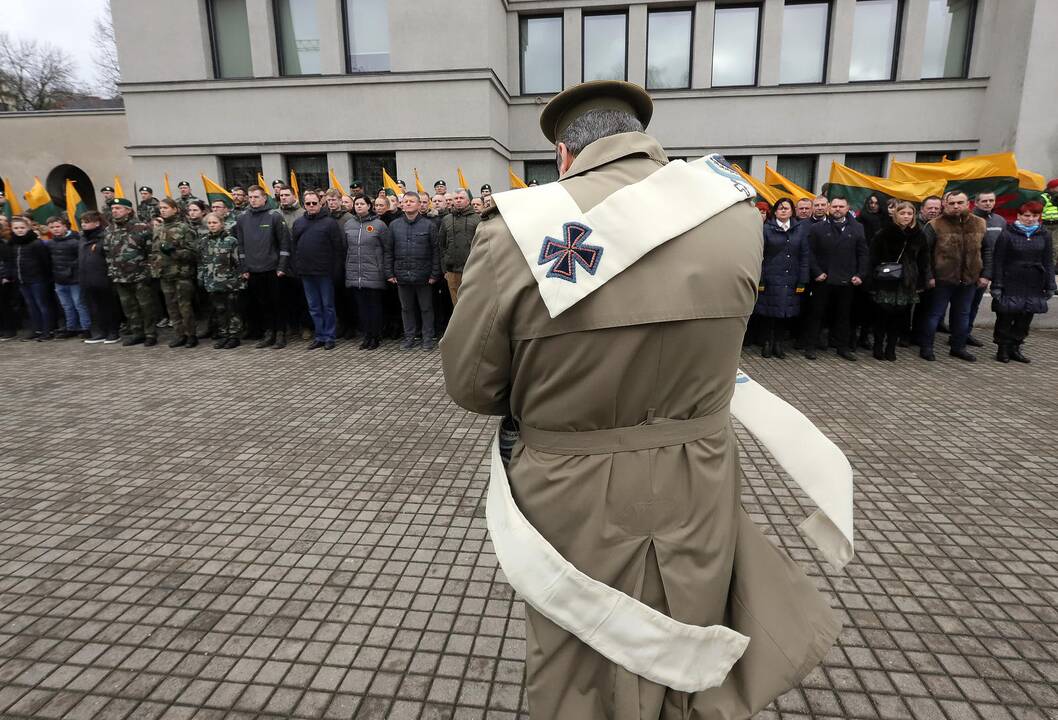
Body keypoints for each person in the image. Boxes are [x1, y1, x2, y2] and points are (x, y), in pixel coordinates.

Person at [442, 80, 850, 720]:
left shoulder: (520, 229)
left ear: (564, 154)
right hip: (701, 470)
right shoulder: (734, 212)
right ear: (643, 138)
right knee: (688, 627)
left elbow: (472, 387)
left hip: (570, 485)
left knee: (584, 653)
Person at [919, 191, 987, 362]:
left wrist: (985, 274)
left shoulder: (980, 223)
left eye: (960, 202)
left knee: (963, 315)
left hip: (969, 279)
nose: (956, 206)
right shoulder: (934, 225)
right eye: (952, 203)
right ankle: (926, 347)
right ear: (945, 205)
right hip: (942, 279)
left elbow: (987, 250)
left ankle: (958, 348)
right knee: (934, 315)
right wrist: (929, 276)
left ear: (968, 204)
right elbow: (924, 253)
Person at [802, 197, 868, 360]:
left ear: (847, 208)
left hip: (847, 280)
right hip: (823, 279)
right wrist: (816, 272)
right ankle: (810, 346)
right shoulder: (817, 228)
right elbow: (809, 253)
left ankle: (842, 347)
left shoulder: (857, 228)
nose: (837, 209)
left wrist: (860, 274)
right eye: (835, 206)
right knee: (816, 314)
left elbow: (863, 253)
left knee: (844, 315)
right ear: (829, 208)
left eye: (841, 206)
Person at [990, 201, 1055, 363]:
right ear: (1019, 216)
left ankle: (1016, 347)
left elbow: (1048, 261)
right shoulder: (1007, 234)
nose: (1030, 219)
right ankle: (1003, 348)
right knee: (1006, 315)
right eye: (1027, 215)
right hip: (1010, 280)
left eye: (1034, 216)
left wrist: (1050, 285)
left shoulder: (1044, 234)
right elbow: (998, 260)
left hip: (1034, 281)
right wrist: (997, 285)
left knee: (1025, 317)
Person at [868, 201, 929, 361]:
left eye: (909, 214)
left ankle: (891, 347)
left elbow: (924, 260)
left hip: (907, 281)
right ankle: (878, 345)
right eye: (903, 213)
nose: (906, 217)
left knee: (899, 316)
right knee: (882, 314)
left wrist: (922, 281)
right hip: (886, 280)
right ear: (896, 215)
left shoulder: (919, 235)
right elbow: (873, 258)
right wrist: (872, 281)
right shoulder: (884, 233)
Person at [236, 185, 291, 349]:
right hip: (253, 270)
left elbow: (284, 243)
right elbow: (241, 245)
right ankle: (269, 332)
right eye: (250, 197)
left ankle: (280, 333)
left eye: (256, 197)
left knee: (277, 303)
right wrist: (244, 268)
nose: (253, 200)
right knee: (263, 303)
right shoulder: (242, 218)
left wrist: (282, 266)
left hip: (273, 269)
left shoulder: (274, 216)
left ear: (265, 198)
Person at [753, 197, 809, 358]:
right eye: (780, 208)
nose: (783, 210)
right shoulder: (766, 229)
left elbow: (804, 255)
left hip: (791, 278)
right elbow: (760, 254)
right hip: (770, 277)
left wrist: (802, 279)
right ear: (775, 211)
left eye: (787, 208)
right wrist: (761, 278)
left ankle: (778, 344)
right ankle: (766, 343)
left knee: (784, 313)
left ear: (792, 211)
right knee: (767, 313)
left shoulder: (799, 229)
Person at [291, 190, 343, 350]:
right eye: (308, 203)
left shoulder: (330, 223)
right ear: (304, 205)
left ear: (321, 203)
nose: (311, 206)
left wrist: (336, 271)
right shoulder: (299, 223)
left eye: (314, 203)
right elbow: (294, 247)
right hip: (306, 273)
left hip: (325, 273)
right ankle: (319, 335)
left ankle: (329, 336)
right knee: (313, 307)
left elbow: (338, 249)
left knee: (327, 306)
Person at [388, 192, 441, 350]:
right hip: (402, 275)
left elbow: (436, 252)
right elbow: (388, 251)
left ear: (419, 205)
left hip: (424, 276)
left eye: (412, 201)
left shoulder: (429, 225)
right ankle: (409, 337)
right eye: (406, 201)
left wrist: (434, 274)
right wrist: (390, 273)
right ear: (401, 205)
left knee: (426, 308)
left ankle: (427, 338)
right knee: (406, 308)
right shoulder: (394, 225)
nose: (408, 204)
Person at [105, 198, 158, 346]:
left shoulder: (142, 228)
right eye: (113, 208)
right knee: (129, 307)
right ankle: (137, 333)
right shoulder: (110, 230)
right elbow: (108, 253)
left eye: (118, 208)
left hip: (140, 275)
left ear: (128, 210)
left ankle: (150, 334)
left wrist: (149, 271)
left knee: (146, 306)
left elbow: (152, 252)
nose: (114, 211)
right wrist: (111, 271)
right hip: (120, 276)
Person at [344, 194, 391, 350]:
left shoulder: (379, 225)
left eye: (362, 204)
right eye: (356, 204)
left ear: (369, 206)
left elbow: (387, 249)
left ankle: (375, 336)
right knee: (361, 307)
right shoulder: (349, 224)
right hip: (355, 273)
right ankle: (366, 336)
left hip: (373, 272)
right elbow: (346, 249)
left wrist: (385, 270)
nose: (358, 206)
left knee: (374, 306)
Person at [152, 198, 199, 348]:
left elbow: (194, 252)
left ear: (175, 209)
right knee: (171, 307)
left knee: (185, 306)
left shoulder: (184, 228)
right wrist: (155, 269)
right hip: (165, 274)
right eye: (161, 208)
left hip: (181, 273)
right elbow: (154, 252)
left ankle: (191, 335)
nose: (163, 210)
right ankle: (179, 334)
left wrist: (174, 252)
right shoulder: (158, 229)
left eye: (166, 207)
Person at [963, 190, 1006, 346]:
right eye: (985, 201)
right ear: (976, 202)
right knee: (963, 305)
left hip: (989, 269)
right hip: (970, 269)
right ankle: (958, 334)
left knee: (974, 304)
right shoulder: (969, 219)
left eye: (991, 200)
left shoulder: (1000, 221)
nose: (988, 203)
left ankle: (966, 332)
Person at [200, 212, 245, 349]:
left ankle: (234, 336)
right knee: (219, 310)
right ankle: (223, 334)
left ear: (222, 223)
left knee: (232, 310)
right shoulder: (204, 241)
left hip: (229, 282)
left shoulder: (230, 241)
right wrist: (202, 277)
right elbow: (201, 262)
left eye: (215, 223)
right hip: (212, 282)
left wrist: (239, 280)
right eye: (209, 223)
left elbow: (238, 262)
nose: (212, 226)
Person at [77, 211, 121, 343]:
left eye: (87, 222)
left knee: (108, 306)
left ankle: (113, 332)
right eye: (82, 222)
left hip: (103, 279)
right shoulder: (83, 239)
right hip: (87, 279)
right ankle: (100, 332)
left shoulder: (105, 237)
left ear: (96, 223)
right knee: (94, 307)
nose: (83, 225)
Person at [44, 216, 91, 339]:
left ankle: (86, 327)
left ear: (65, 226)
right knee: (66, 305)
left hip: (74, 279)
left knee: (79, 304)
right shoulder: (50, 243)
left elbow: (80, 259)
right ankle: (71, 327)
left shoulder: (75, 241)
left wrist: (70, 269)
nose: (55, 229)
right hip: (59, 279)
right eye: (52, 227)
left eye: (58, 226)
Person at [9, 216, 54, 341]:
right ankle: (37, 329)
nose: (19, 230)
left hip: (37, 279)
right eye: (16, 228)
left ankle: (47, 330)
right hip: (22, 280)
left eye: (22, 227)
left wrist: (45, 277)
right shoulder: (13, 243)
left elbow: (45, 261)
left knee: (42, 304)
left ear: (28, 228)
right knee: (30, 305)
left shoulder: (36, 243)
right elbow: (13, 261)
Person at [438, 188, 480, 306]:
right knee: (456, 306)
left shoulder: (477, 219)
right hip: (452, 272)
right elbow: (441, 245)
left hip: (473, 270)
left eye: (461, 198)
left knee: (473, 304)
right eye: (456, 198)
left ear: (468, 201)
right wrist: (445, 270)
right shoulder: (446, 219)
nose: (458, 200)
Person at [0, 216, 22, 340]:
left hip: (3, 279)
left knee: (5, 305)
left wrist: (5, 276)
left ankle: (9, 330)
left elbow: (7, 262)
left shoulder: (3, 244)